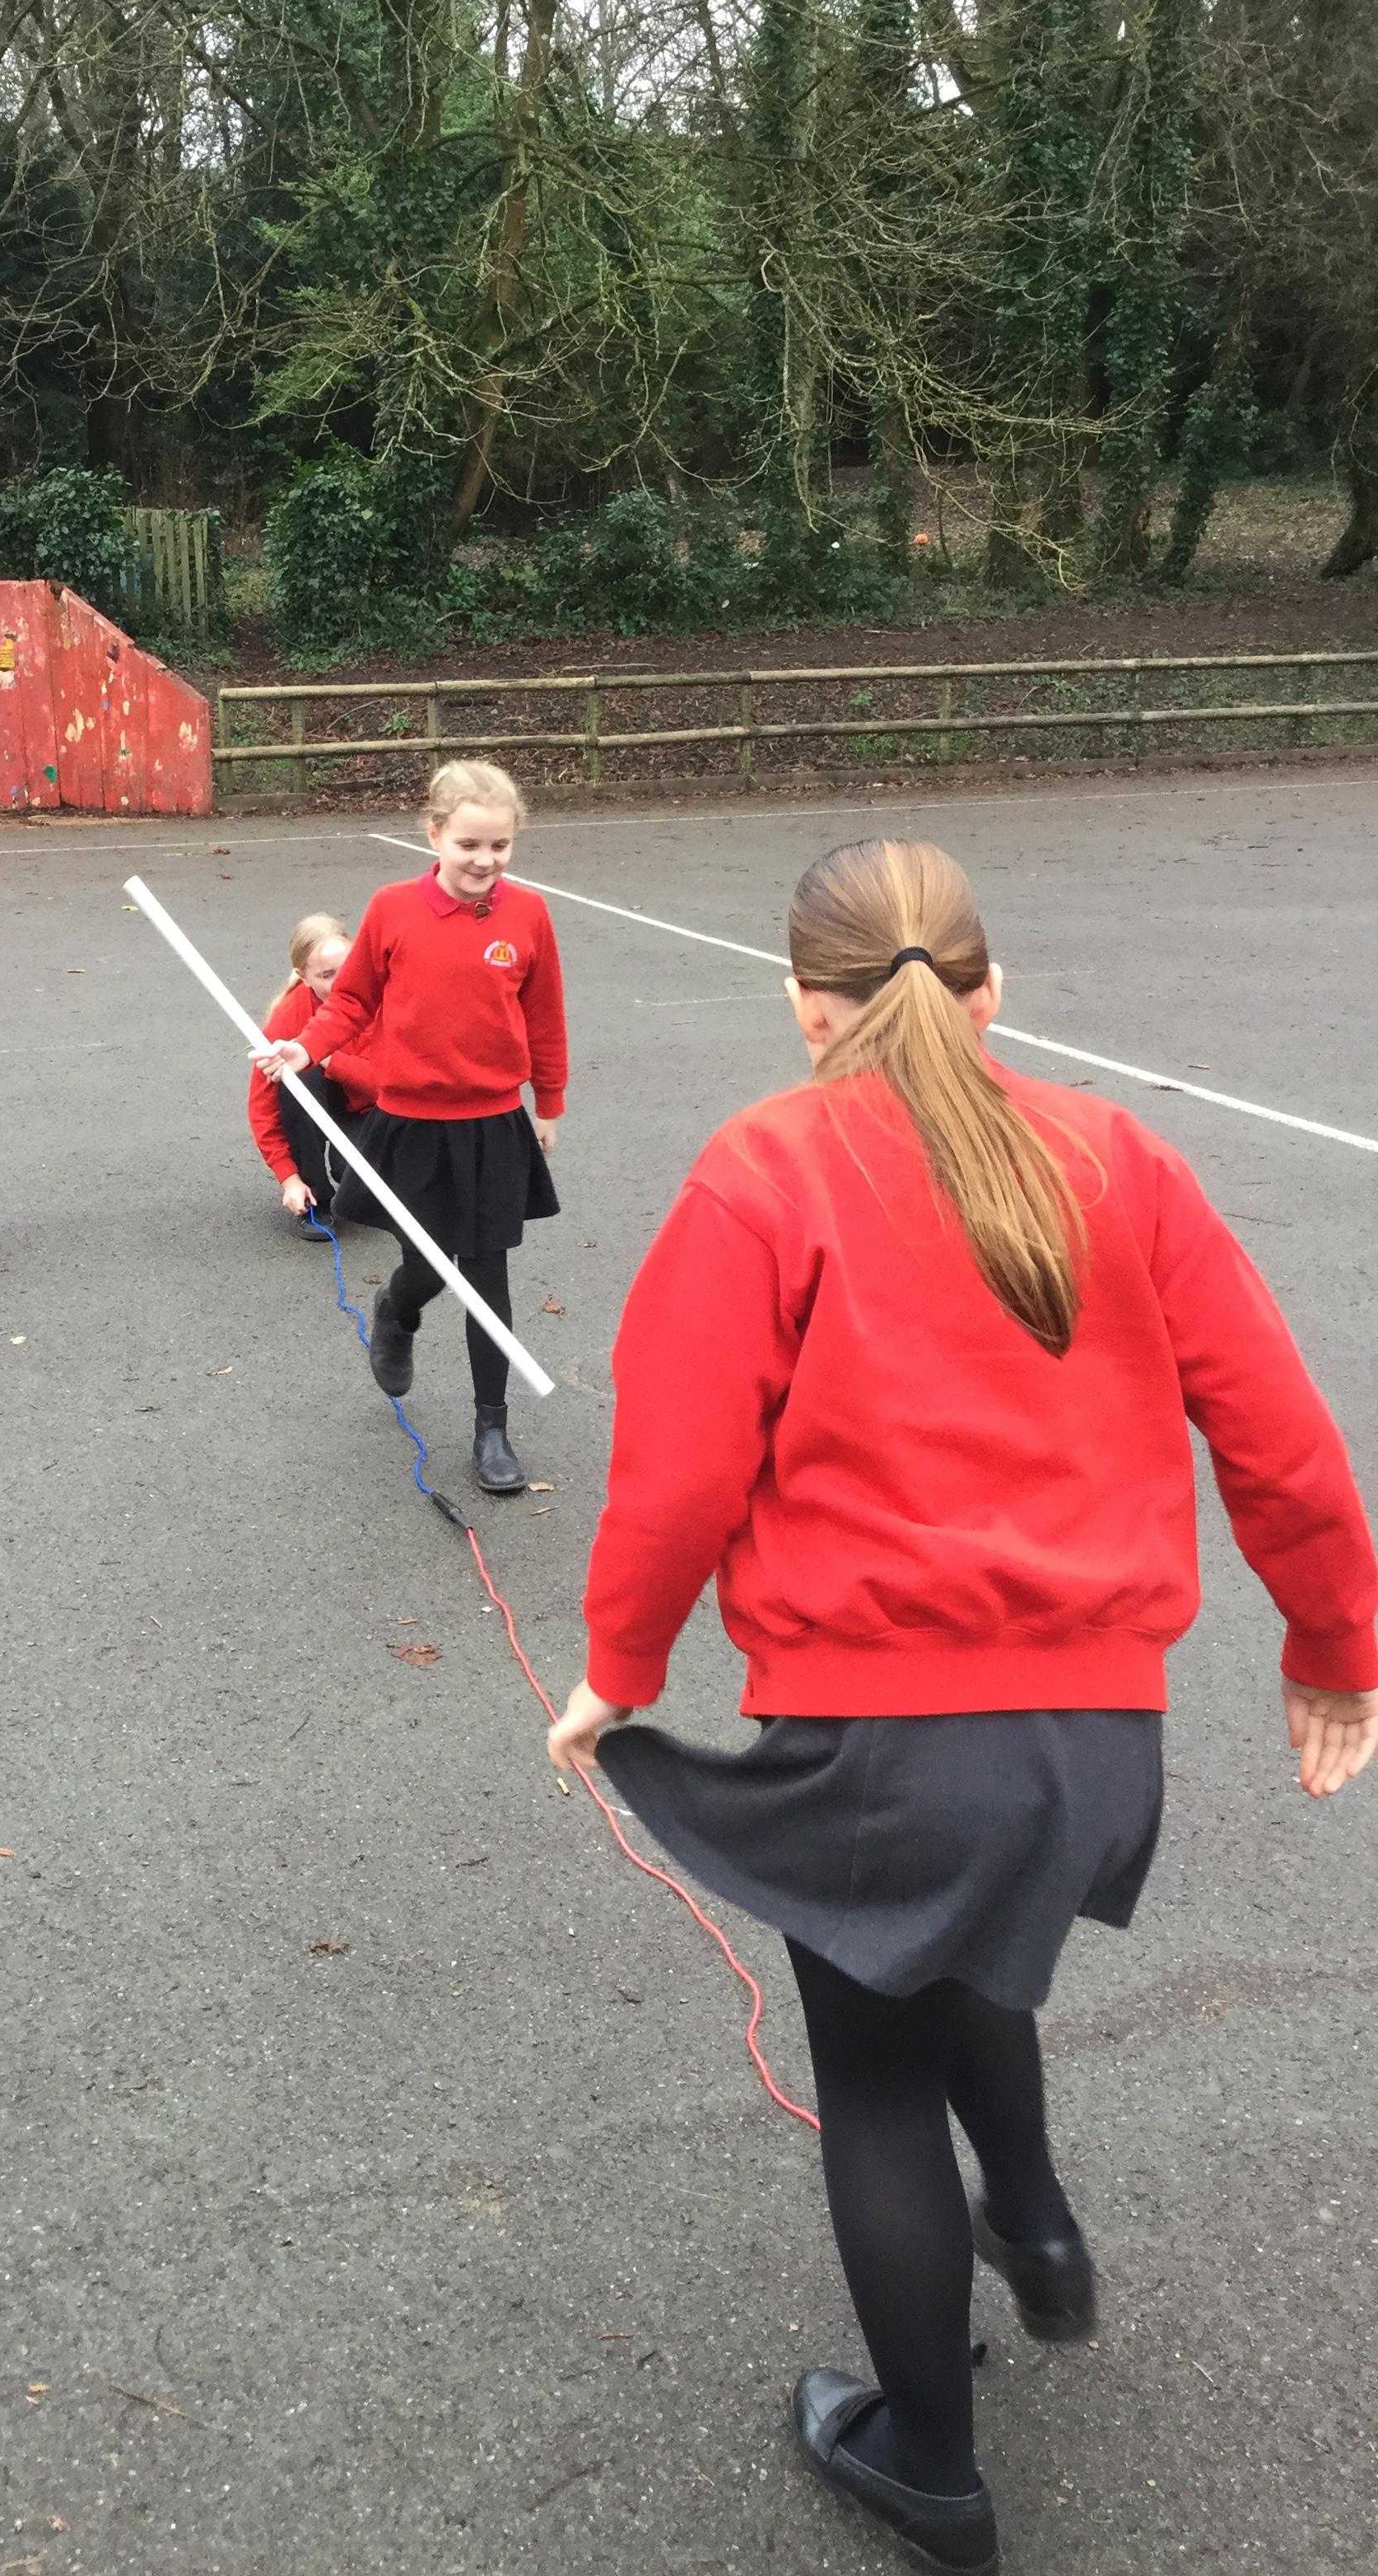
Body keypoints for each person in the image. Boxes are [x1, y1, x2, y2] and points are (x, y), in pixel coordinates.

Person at [547, 838, 1377, 2574]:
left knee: (871, 2082)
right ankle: (1042, 2232)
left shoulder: (765, 1165)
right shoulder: (1117, 1152)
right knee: (975, 1950)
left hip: (886, 1738)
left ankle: (929, 2466)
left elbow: (678, 1465)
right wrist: (1333, 1644)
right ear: (993, 994)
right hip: (1096, 1742)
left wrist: (620, 1667)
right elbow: (1277, 1423)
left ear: (805, 1007)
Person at [254, 760, 567, 1495]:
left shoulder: (528, 916)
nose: (484, 861)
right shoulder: (393, 909)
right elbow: (351, 1001)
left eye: (499, 846)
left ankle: (492, 1428)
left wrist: (548, 1101)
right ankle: (396, 1310)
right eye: (469, 845)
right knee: (428, 1265)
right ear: (434, 835)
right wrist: (305, 1049)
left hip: (493, 1122)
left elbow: (545, 1014)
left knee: (486, 1273)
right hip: (412, 1124)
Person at [246, 912, 379, 1238]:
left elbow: (385, 1086)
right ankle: (315, 1197)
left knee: (360, 1189)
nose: (341, 982)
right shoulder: (287, 1016)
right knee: (296, 1081)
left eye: (347, 969)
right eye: (326, 975)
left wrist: (322, 1054)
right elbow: (263, 1108)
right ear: (302, 976)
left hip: (370, 1107)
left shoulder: (381, 1001)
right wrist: (289, 1178)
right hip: (318, 1099)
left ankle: (368, 1169)